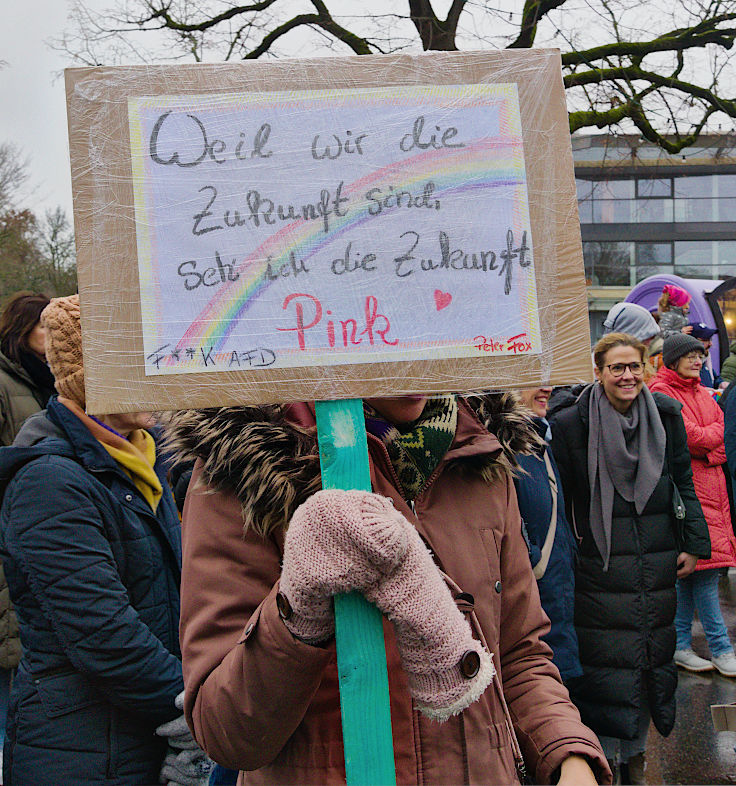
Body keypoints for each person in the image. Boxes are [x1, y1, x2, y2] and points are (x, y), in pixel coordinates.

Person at [168, 393, 612, 785]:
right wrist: (298, 606)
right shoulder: (244, 470)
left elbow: (518, 654)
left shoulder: (481, 453)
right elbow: (226, 733)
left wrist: (567, 751)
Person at [0, 295, 211, 786]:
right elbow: (103, 634)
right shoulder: (49, 482)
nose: (153, 378)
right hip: (85, 750)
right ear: (88, 378)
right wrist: (197, 710)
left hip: (138, 731)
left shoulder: (146, 458)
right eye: (134, 366)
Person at [550, 332, 710, 784]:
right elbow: (563, 502)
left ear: (647, 368)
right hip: (597, 565)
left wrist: (694, 543)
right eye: (616, 368)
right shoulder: (569, 424)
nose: (627, 375)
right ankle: (600, 761)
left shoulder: (667, 415)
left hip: (657, 557)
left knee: (649, 664)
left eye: (634, 366)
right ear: (598, 372)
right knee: (604, 668)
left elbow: (683, 479)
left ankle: (635, 763)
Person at [649, 333, 736, 676]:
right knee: (705, 577)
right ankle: (721, 648)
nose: (698, 360)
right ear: (672, 359)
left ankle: (681, 645)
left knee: (694, 576)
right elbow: (688, 439)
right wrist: (710, 446)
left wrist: (709, 448)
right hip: (689, 495)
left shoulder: (703, 392)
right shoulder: (661, 392)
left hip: (714, 494)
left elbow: (721, 436)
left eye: (701, 355)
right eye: (691, 355)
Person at [515, 387, 582, 685]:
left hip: (553, 621)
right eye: (533, 377)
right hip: (531, 636)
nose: (548, 387)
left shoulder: (536, 440)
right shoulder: (501, 448)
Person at [0, 292, 54, 447]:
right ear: (23, 329)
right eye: (44, 326)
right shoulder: (4, 381)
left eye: (55, 326)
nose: (53, 332)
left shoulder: (57, 378)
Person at [685, 322, 723, 389]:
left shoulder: (705, 361)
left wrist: (721, 384)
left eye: (710, 340)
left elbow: (714, 379)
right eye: (705, 340)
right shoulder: (684, 366)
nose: (710, 344)